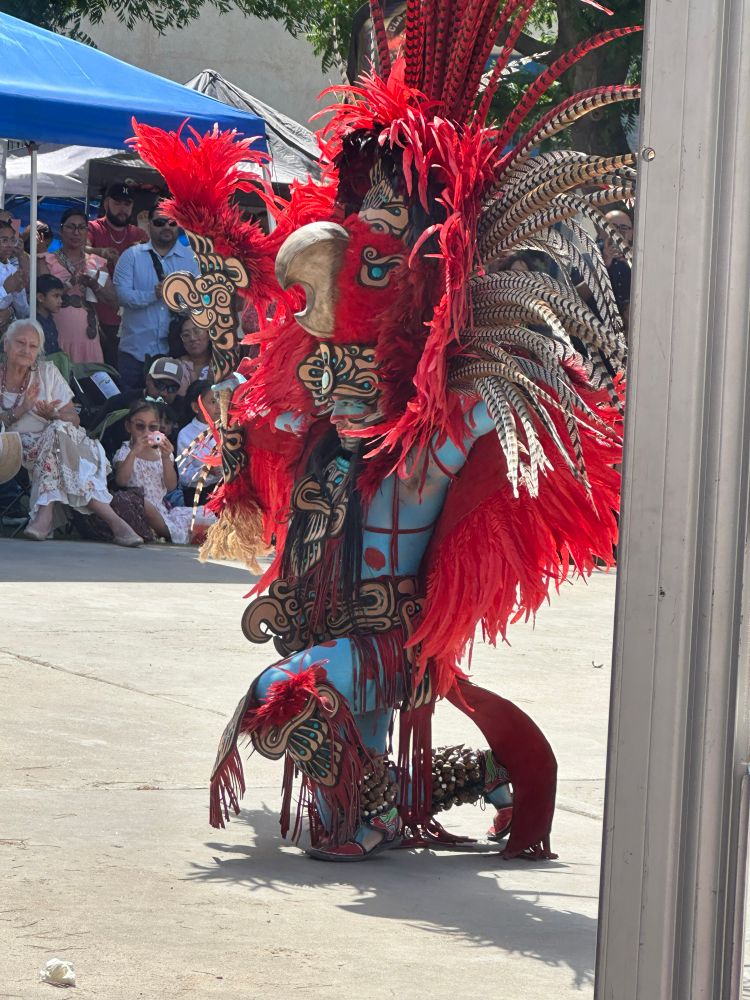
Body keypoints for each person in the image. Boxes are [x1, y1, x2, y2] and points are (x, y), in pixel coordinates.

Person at [134, 2, 632, 863]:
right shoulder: (322, 416)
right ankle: (471, 780)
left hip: (389, 640)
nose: (337, 369)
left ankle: (413, 795)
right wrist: (233, 282)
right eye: (328, 365)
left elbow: (523, 415)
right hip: (331, 619)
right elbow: (267, 388)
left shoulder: (448, 434)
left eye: (375, 271)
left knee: (293, 695)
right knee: (345, 774)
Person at [0, 319, 142, 545]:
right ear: (6, 344)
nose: (26, 350)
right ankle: (115, 522)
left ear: (39, 351)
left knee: (58, 429)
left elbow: (73, 419)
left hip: (65, 442)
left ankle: (44, 515)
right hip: (18, 447)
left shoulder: (47, 372)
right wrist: (23, 409)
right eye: (20, 343)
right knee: (61, 439)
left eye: (33, 346)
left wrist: (54, 415)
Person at [113, 200, 199, 393]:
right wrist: (155, 294)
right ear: (149, 224)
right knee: (131, 408)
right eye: (160, 223)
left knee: (169, 414)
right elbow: (122, 296)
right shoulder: (131, 256)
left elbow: (200, 300)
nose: (166, 227)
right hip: (134, 353)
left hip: (175, 353)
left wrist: (178, 297)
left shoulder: (191, 259)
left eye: (172, 222)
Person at [113, 399, 215, 543]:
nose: (146, 432)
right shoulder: (125, 452)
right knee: (146, 505)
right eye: (140, 427)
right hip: (139, 507)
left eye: (152, 427)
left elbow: (171, 486)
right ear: (129, 427)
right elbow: (121, 480)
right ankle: (173, 534)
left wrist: (167, 458)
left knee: (203, 513)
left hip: (161, 510)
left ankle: (190, 533)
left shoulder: (161, 454)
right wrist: (134, 452)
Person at [39, 209, 117, 364]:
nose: (76, 232)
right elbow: (40, 297)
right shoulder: (46, 260)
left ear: (87, 232)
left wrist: (95, 285)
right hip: (55, 337)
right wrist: (70, 284)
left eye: (81, 228)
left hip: (88, 339)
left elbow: (113, 302)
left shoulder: (96, 262)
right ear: (61, 230)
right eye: (71, 227)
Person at [87, 182, 147, 367]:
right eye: (118, 203)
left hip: (131, 318)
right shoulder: (93, 228)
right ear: (106, 204)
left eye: (127, 204)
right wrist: (101, 252)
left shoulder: (140, 234)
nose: (122, 208)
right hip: (99, 314)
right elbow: (79, 247)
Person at [176, 380, 221, 493]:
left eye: (220, 400)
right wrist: (206, 470)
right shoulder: (186, 434)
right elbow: (184, 477)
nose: (219, 406)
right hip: (199, 493)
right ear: (196, 407)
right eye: (213, 401)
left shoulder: (228, 427)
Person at [0, 217, 29, 335]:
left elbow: (23, 312)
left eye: (12, 240)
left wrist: (18, 290)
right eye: (4, 240)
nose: (10, 245)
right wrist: (5, 290)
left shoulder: (12, 269)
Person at [168, 314, 211, 390]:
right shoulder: (175, 366)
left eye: (197, 331)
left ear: (209, 333)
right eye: (186, 335)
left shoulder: (222, 363)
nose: (192, 338)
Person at [35, 275, 64, 356]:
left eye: (61, 296)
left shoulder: (50, 320)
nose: (60, 301)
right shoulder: (34, 323)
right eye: (56, 296)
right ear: (40, 297)